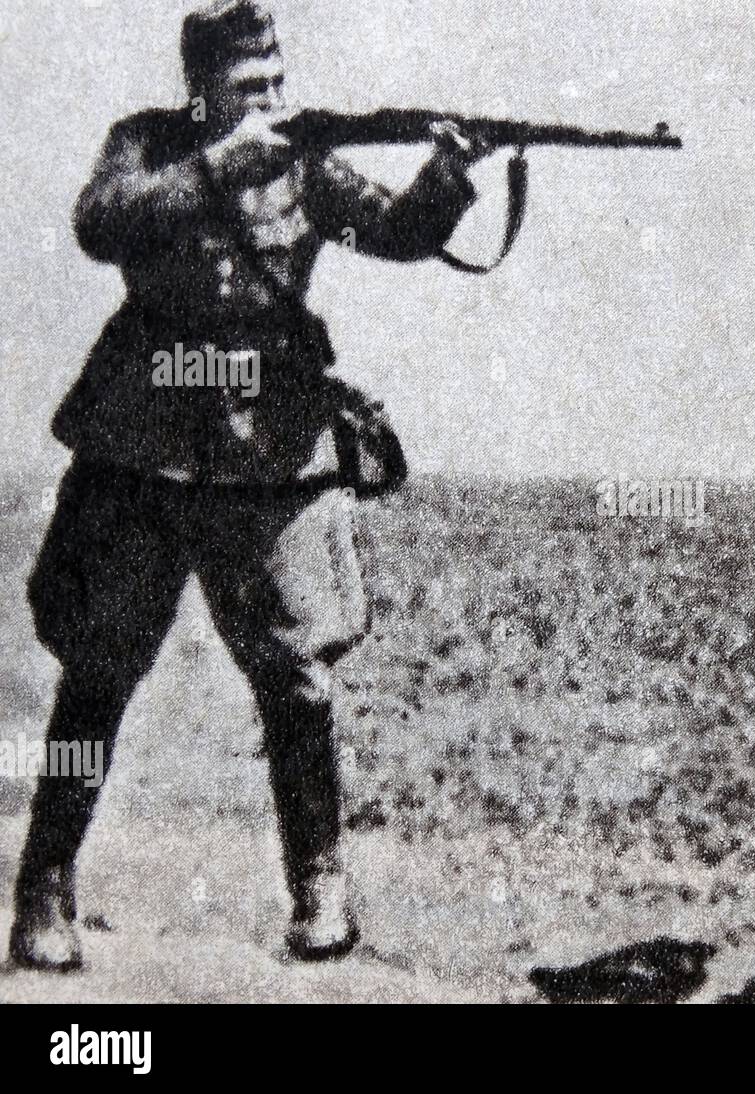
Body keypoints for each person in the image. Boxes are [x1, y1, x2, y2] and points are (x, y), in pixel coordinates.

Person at [11, 0, 491, 971]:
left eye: (277, 81)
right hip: (137, 445)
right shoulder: (146, 147)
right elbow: (102, 223)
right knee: (96, 676)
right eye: (249, 85)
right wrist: (222, 165)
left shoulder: (306, 161)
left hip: (268, 449)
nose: (271, 98)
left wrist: (447, 174)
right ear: (204, 86)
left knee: (296, 675)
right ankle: (43, 891)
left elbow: (395, 231)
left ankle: (320, 894)